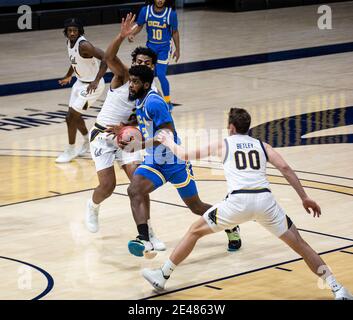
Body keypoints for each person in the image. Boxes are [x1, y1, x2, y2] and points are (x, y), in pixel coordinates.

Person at [141, 107, 353, 300]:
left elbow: (185, 155)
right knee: (301, 245)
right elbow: (286, 169)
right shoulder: (262, 145)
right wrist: (304, 197)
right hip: (266, 203)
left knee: (195, 231)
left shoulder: (223, 143)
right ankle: (338, 289)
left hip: (238, 202)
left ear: (231, 127)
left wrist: (168, 142)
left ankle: (163, 275)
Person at [116, 65, 241, 259]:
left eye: (135, 82)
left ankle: (230, 223)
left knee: (196, 207)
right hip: (155, 160)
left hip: (174, 161)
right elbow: (147, 125)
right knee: (134, 190)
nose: (130, 85)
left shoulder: (154, 102)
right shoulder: (141, 101)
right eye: (130, 80)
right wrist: (124, 128)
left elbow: (167, 133)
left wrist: (138, 145)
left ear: (146, 84)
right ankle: (144, 239)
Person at [85, 14, 165, 251]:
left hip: (129, 137)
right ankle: (93, 205)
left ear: (152, 67)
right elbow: (108, 57)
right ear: (134, 62)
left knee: (138, 182)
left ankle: (147, 232)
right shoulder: (123, 76)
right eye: (139, 60)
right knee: (107, 187)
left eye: (147, 62)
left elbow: (153, 123)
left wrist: (134, 130)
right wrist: (121, 36)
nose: (142, 64)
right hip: (103, 135)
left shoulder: (154, 90)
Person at [56, 18, 107, 163]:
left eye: (75, 30)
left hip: (92, 85)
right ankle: (86, 141)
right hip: (79, 83)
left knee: (71, 116)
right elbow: (74, 62)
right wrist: (68, 76)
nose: (72, 33)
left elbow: (105, 58)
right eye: (69, 31)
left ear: (80, 31)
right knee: (72, 117)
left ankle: (71, 149)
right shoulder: (69, 43)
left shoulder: (84, 45)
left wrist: (96, 80)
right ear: (66, 32)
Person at [128, 0, 180, 110]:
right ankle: (143, 97)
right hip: (151, 46)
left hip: (164, 47)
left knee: (161, 74)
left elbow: (175, 32)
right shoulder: (146, 11)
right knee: (146, 75)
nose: (160, 0)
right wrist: (133, 34)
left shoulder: (171, 13)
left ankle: (167, 101)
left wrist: (177, 49)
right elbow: (139, 25)